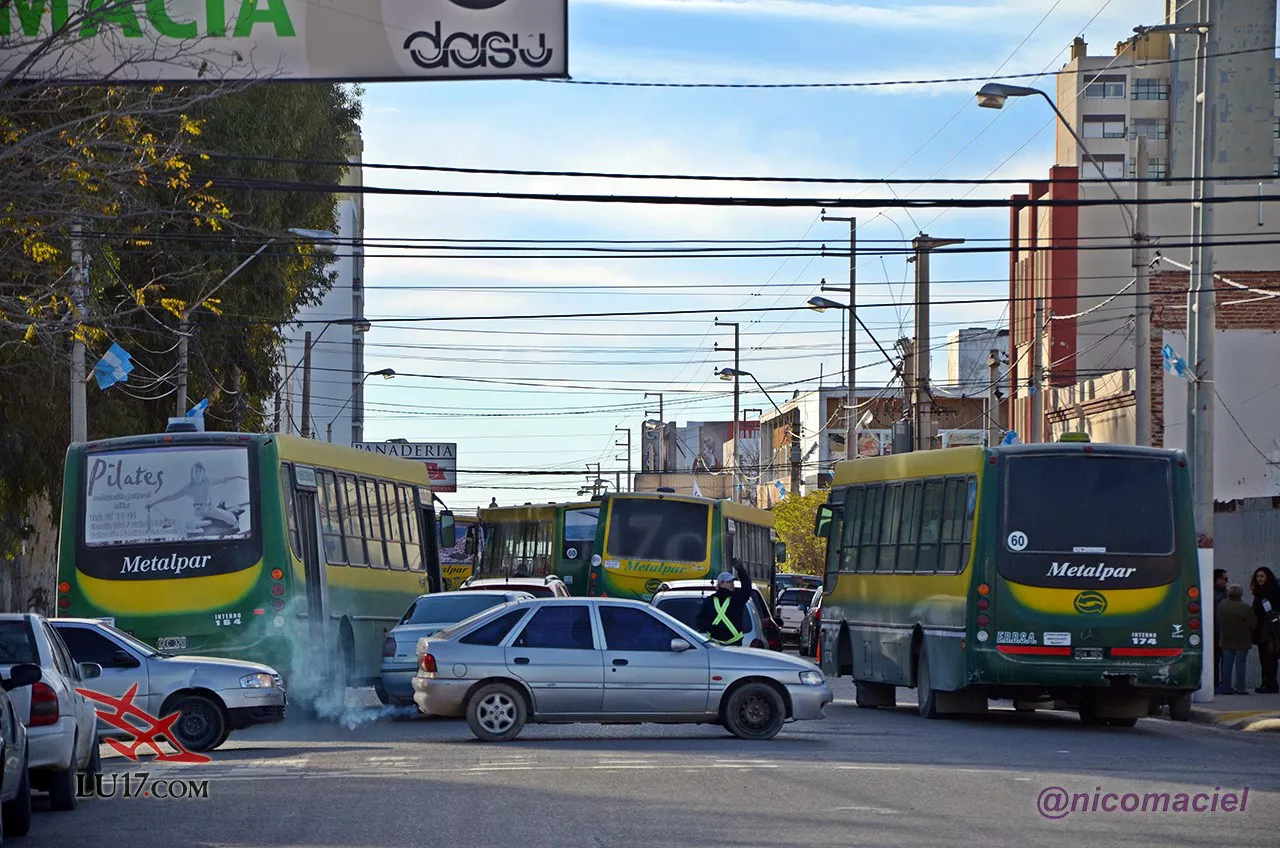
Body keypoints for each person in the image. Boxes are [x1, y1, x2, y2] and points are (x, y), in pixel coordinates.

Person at [146, 463, 246, 533]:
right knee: (188, 524)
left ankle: (220, 517)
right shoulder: (188, 487)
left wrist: (238, 476)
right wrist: (153, 503)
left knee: (232, 521)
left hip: (210, 509)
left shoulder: (208, 481)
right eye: (196, 471)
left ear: (203, 472)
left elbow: (224, 479)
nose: (198, 473)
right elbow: (172, 496)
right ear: (192, 473)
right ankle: (211, 522)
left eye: (200, 470)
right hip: (198, 512)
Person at [696, 564, 753, 646]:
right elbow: (699, 620)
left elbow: (747, 588)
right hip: (714, 645)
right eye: (729, 582)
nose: (732, 584)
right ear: (721, 583)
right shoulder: (709, 601)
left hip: (735, 645)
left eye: (733, 582)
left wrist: (741, 570)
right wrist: (710, 628)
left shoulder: (737, 599)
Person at [1217, 583, 1257, 695]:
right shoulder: (1245, 607)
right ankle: (1240, 688)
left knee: (1226, 664)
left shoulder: (1222, 604)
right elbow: (1253, 624)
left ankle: (1226, 687)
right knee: (1240, 664)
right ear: (1241, 594)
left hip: (1225, 639)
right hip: (1242, 640)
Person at [1250, 566, 1280, 694]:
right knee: (1264, 658)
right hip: (1262, 630)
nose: (1260, 579)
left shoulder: (1272, 591)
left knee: (1269, 658)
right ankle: (1266, 683)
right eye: (1258, 576)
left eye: (1262, 576)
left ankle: (1270, 684)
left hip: (1270, 631)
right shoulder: (1259, 592)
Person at [1213, 568, 1229, 689]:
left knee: (1222, 658)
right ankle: (1217, 683)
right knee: (1218, 658)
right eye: (1225, 579)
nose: (1226, 581)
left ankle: (1220, 683)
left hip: (1221, 629)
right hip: (1217, 630)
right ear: (1218, 580)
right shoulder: (1216, 594)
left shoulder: (1224, 592)